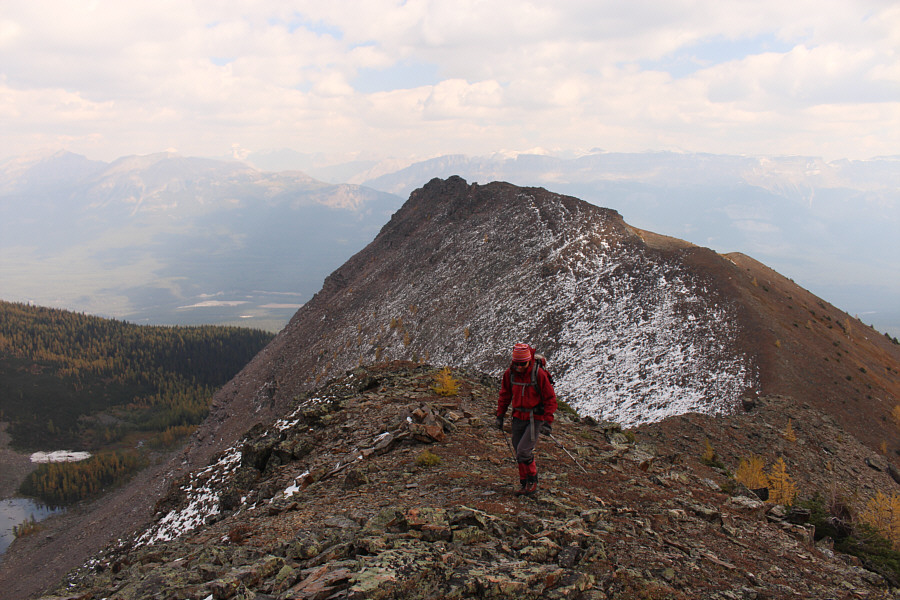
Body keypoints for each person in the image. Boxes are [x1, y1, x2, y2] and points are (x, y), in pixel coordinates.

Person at [495, 342, 557, 496]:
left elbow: (550, 399)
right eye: (517, 364)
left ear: (529, 361)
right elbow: (505, 395)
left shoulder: (538, 374)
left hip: (534, 418)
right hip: (517, 417)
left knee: (523, 451)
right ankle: (524, 483)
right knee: (518, 451)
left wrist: (547, 422)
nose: (520, 367)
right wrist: (500, 415)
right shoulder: (510, 374)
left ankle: (532, 481)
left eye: (523, 364)